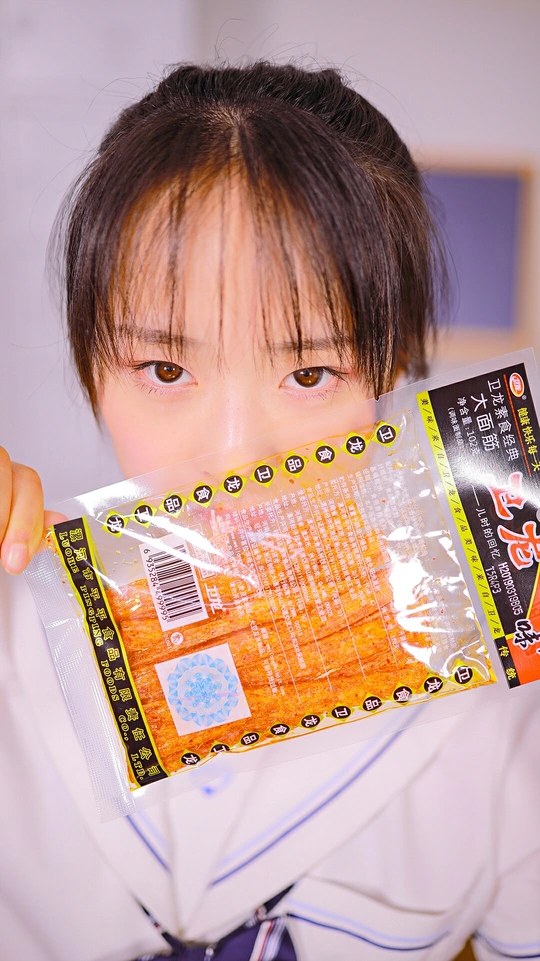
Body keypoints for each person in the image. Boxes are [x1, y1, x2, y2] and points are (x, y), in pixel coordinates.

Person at [0, 60, 539, 961]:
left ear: (392, 371)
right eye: (166, 369)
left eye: (310, 373)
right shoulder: (12, 624)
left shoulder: (503, 696)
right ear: (90, 360)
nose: (236, 458)